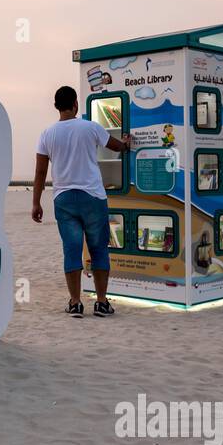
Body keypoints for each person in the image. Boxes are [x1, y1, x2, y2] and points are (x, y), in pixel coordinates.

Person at [32, 86, 133, 318]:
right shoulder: (90, 127)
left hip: (64, 199)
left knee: (72, 250)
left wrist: (36, 203)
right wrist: (126, 143)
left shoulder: (47, 134)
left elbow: (39, 173)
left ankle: (76, 303)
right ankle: (101, 302)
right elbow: (117, 147)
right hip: (93, 197)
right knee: (98, 250)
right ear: (75, 104)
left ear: (56, 106)